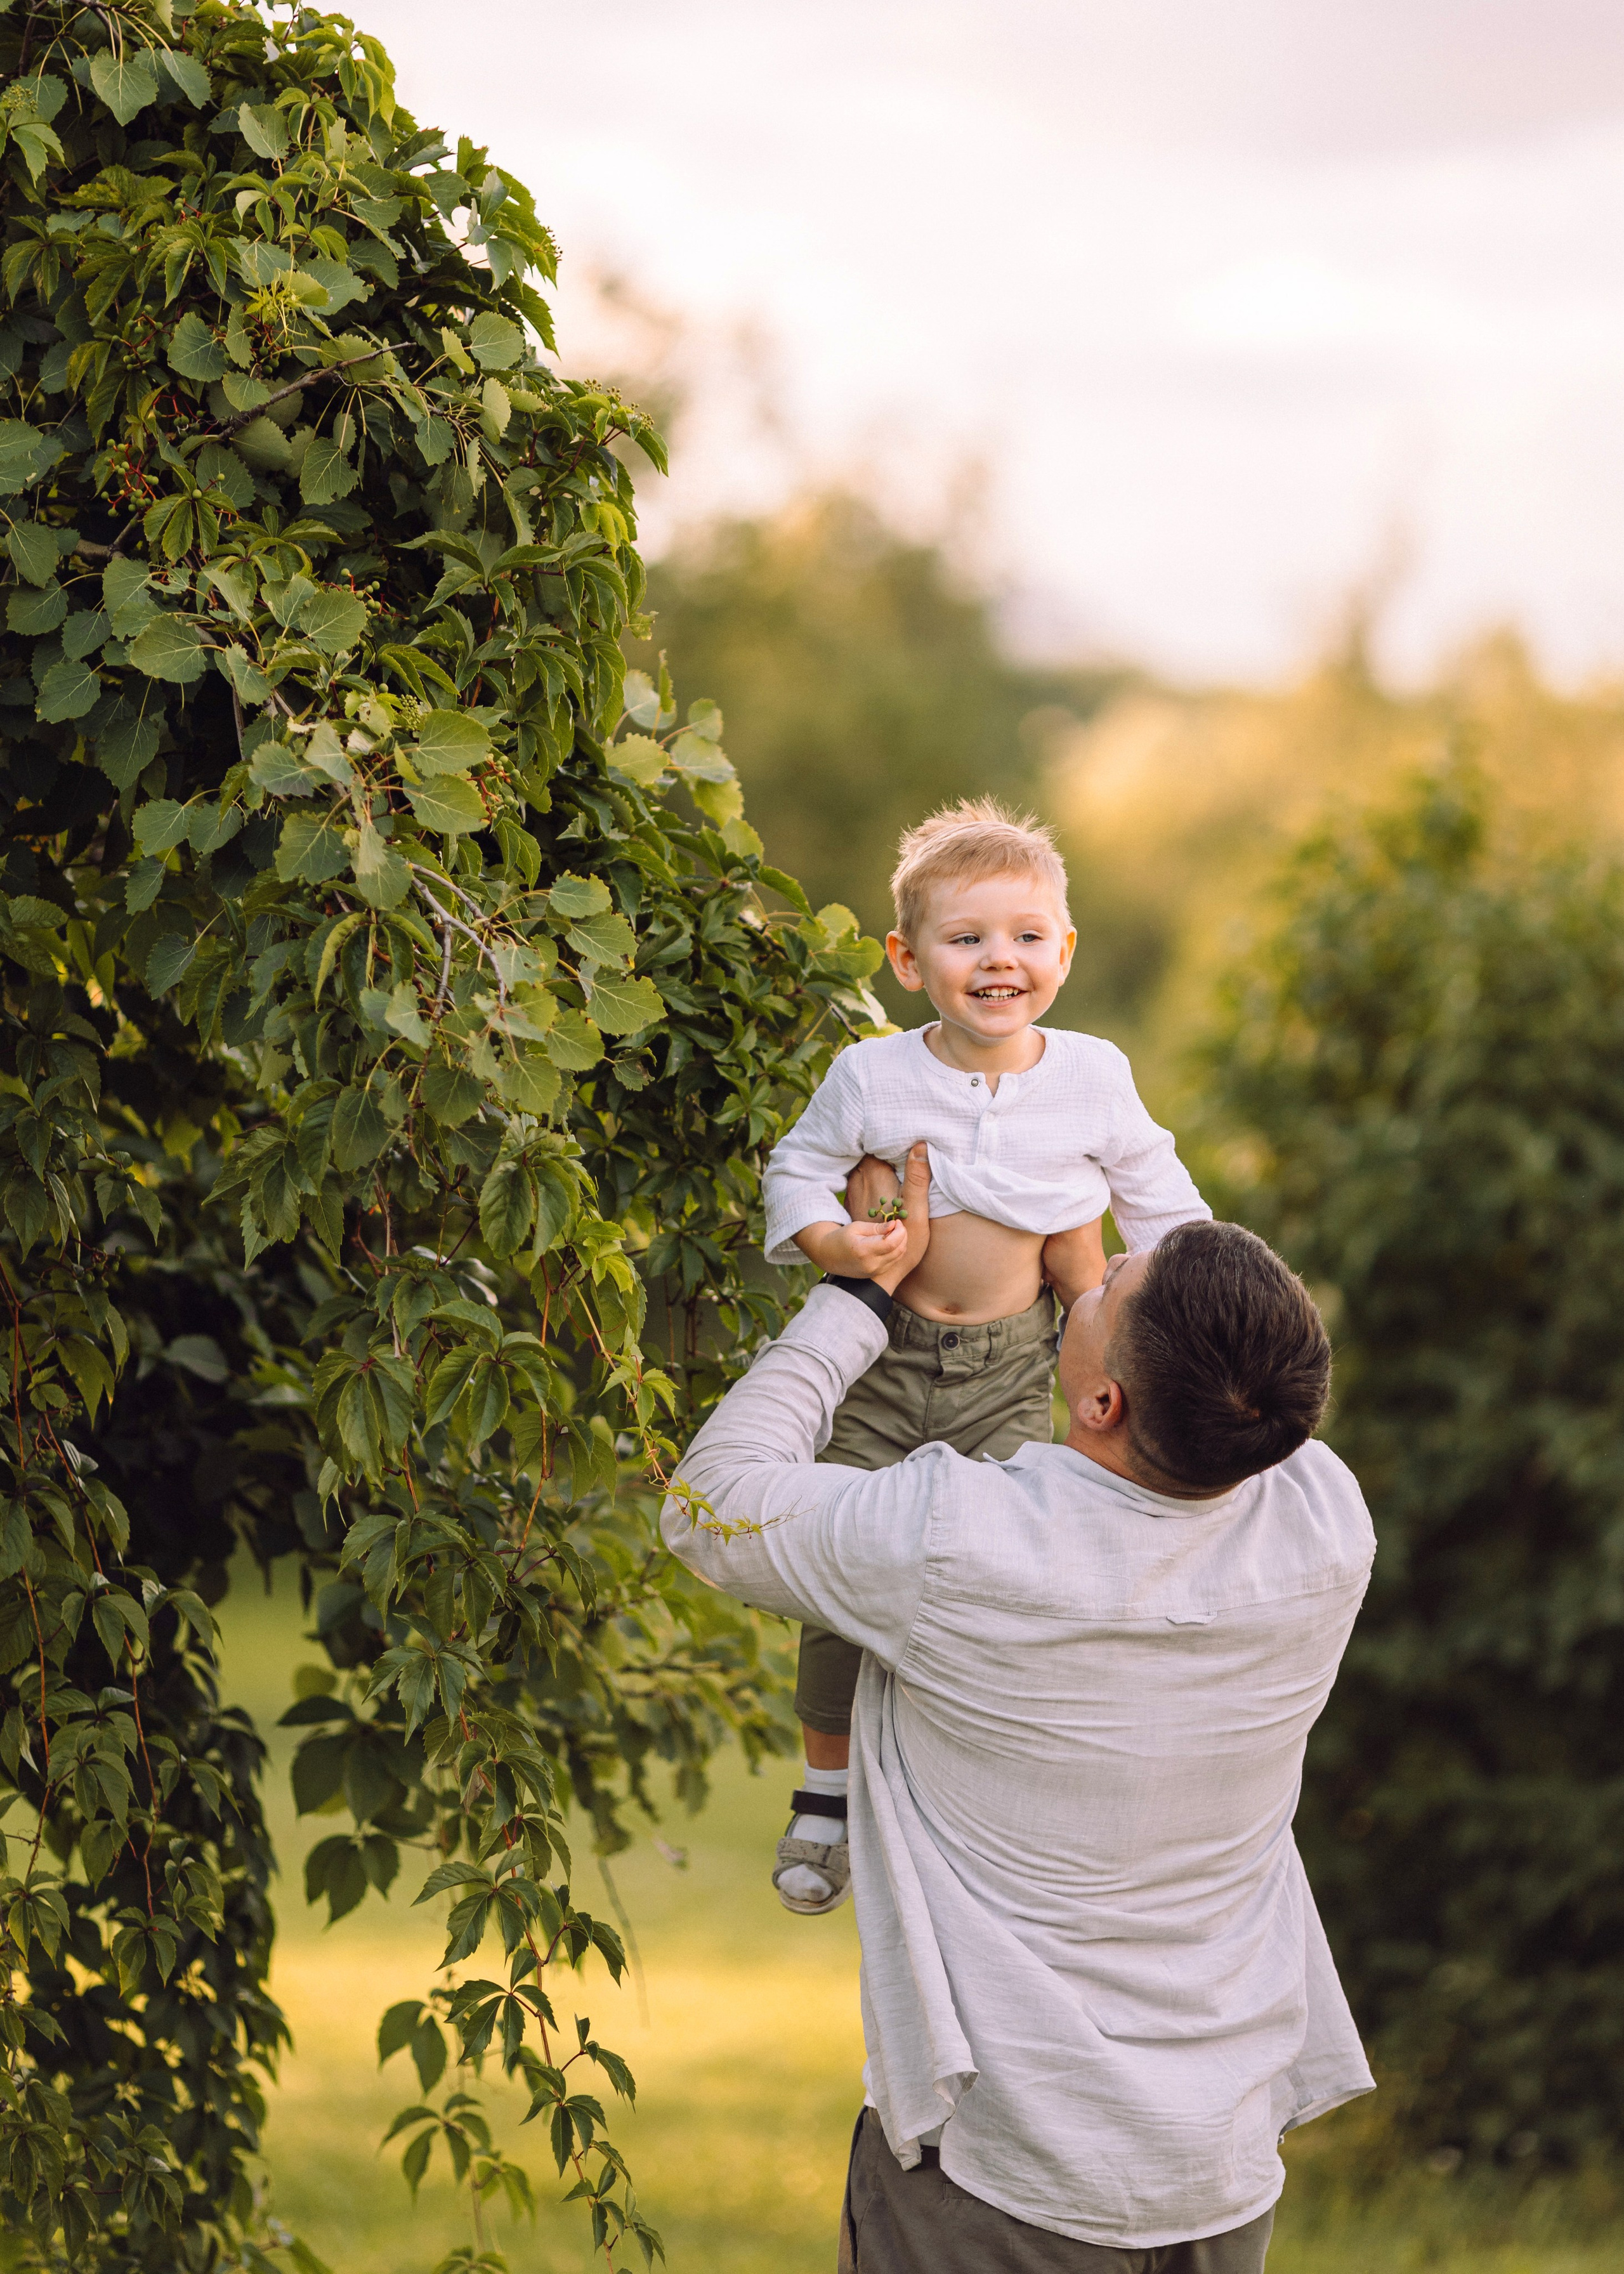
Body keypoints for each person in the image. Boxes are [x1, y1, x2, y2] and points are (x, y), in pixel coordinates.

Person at [661, 1149, 1375, 2272]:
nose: (1092, 1266)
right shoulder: (1326, 1524)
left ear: (1101, 1400)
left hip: (1003, 2176)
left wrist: (855, 1297)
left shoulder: (961, 1541)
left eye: (1110, 1283)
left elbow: (710, 1503)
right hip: (1221, 2161)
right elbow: (1238, 1369)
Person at [761, 797, 1210, 1912]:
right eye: (966, 939)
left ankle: (966, 1783)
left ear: (1065, 948)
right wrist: (831, 1238)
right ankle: (825, 1790)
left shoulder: (1094, 1076)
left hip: (1014, 1365)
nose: (998, 960)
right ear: (909, 962)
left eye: (1024, 935)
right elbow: (795, 1167)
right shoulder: (872, 1076)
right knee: (840, 1561)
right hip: (883, 1351)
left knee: (994, 1568)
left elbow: (1161, 1197)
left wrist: (1208, 1297)